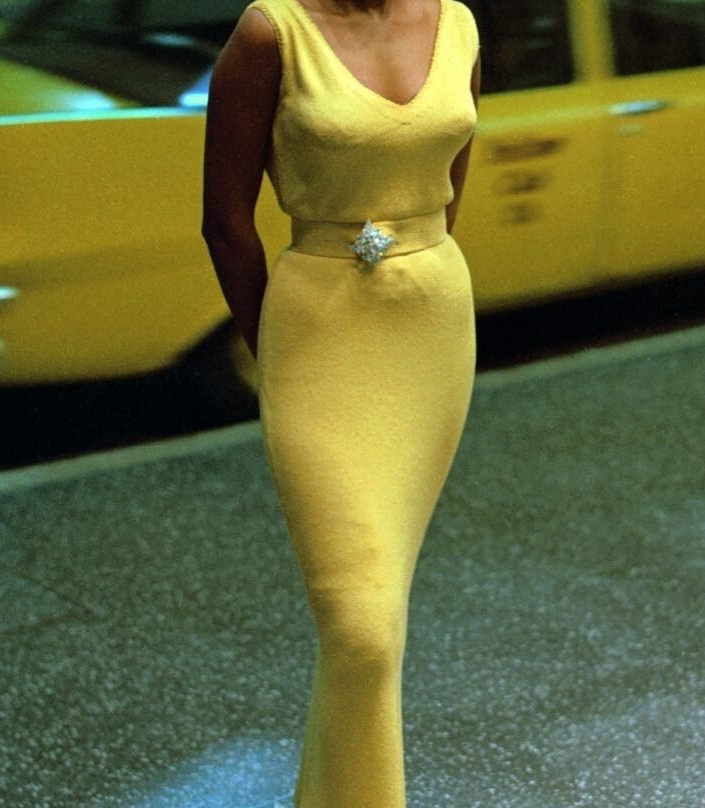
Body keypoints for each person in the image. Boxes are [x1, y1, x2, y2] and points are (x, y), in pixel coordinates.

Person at [200, 0, 481, 804]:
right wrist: (281, 348)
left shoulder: (457, 20)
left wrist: (414, 258)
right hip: (317, 336)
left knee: (377, 625)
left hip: (430, 335)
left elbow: (450, 183)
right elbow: (224, 222)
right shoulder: (269, 32)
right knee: (359, 631)